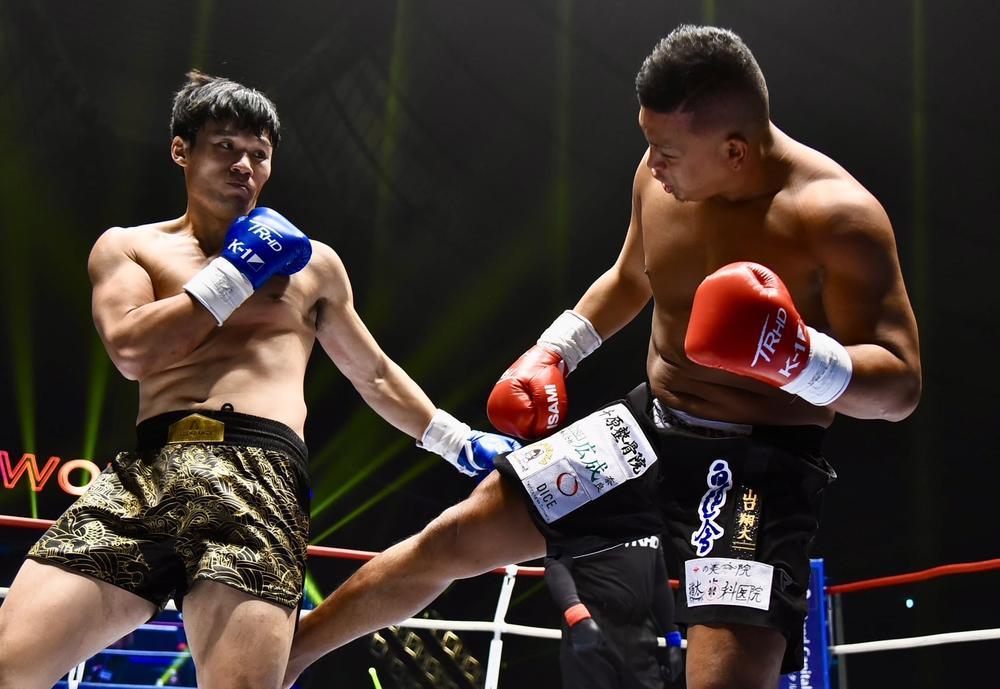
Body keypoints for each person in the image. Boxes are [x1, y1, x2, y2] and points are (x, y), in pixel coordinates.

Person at [282, 24, 920, 689]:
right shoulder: (660, 177)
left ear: (734, 150)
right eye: (650, 143)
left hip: (761, 464)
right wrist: (553, 351)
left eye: (667, 150)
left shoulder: (835, 217)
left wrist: (797, 356)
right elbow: (630, 277)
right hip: (649, 427)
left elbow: (900, 387)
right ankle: (279, 664)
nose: (653, 163)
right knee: (455, 535)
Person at [0, 70, 517, 689]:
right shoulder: (130, 247)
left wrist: (458, 440)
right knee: (8, 665)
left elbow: (374, 373)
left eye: (259, 153)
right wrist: (237, 273)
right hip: (148, 470)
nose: (244, 165)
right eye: (225, 147)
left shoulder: (314, 265)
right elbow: (133, 351)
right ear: (181, 150)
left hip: (259, 471)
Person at [545, 534, 683, 689]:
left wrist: (673, 636)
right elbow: (555, 562)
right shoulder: (580, 519)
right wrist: (577, 616)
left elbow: (659, 581)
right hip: (593, 626)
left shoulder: (651, 523)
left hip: (640, 634)